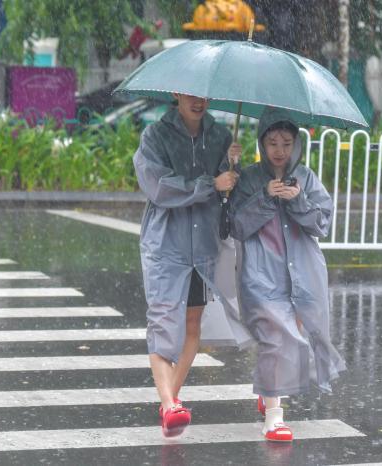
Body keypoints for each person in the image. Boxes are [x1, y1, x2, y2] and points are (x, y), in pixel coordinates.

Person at [229, 107, 346, 442]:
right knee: (277, 339)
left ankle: (269, 396)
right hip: (260, 275)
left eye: (286, 142)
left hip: (302, 276)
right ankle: (275, 418)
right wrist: (264, 196)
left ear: (296, 144)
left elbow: (321, 224)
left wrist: (298, 201)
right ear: (261, 143)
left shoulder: (307, 178)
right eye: (272, 142)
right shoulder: (249, 178)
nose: (279, 149)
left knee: (284, 341)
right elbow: (236, 225)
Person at [134, 93, 244, 437]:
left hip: (203, 244)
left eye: (204, 97)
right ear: (177, 95)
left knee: (192, 323)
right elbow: (158, 187)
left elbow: (228, 193)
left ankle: (171, 401)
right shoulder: (155, 136)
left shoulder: (220, 136)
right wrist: (209, 184)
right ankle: (169, 404)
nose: (199, 102)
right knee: (163, 322)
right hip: (168, 243)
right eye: (191, 95)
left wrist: (231, 167)